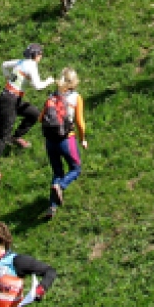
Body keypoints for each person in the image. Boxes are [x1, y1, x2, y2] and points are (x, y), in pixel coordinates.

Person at [0, 44, 55, 181]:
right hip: (9, 102)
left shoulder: (21, 62)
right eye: (40, 54)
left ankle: (16, 137)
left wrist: (7, 77)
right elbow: (38, 86)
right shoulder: (31, 66)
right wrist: (49, 81)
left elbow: (4, 64)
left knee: (34, 114)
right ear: (35, 56)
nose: (41, 56)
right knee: (3, 135)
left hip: (11, 98)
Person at [40, 68, 87, 220]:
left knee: (57, 172)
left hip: (50, 142)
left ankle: (51, 207)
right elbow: (79, 122)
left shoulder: (52, 96)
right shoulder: (76, 97)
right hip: (67, 140)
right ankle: (61, 186)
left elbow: (40, 118)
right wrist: (82, 139)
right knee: (76, 168)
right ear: (74, 82)